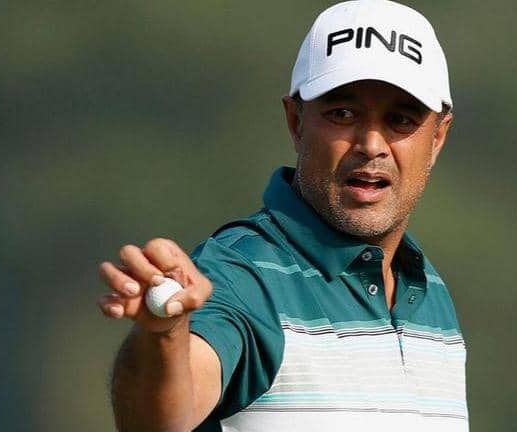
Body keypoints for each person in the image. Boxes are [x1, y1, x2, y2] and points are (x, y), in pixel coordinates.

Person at [97, 1, 468, 431]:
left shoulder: (429, 293)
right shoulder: (241, 275)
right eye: (342, 114)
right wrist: (164, 336)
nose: (371, 144)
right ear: (296, 121)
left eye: (400, 120)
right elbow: (160, 421)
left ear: (438, 137)